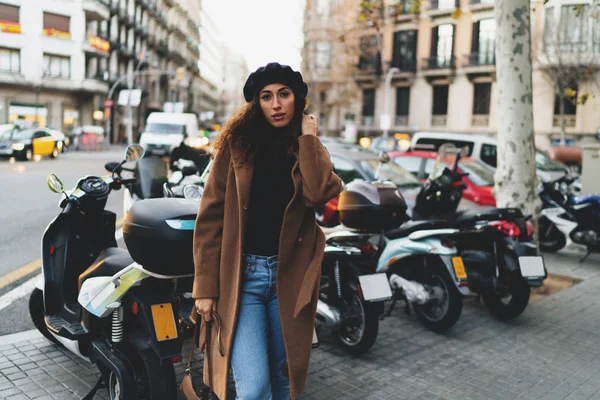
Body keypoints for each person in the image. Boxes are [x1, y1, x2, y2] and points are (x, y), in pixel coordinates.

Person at [192, 62, 343, 400]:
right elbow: (210, 216)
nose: (276, 104)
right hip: (242, 279)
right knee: (255, 384)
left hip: (288, 277)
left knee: (283, 376)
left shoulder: (307, 148)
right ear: (256, 103)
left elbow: (319, 192)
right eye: (266, 96)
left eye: (284, 94)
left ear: (297, 100)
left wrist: (308, 139)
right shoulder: (237, 145)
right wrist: (205, 286)